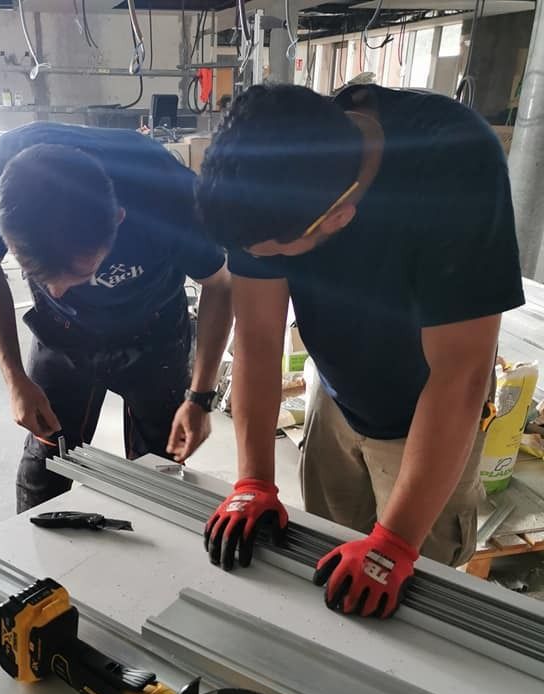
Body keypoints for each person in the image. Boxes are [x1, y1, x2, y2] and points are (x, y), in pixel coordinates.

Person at [196, 83, 524, 618]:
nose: (267, 261)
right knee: (328, 556)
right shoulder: (270, 174)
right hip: (335, 391)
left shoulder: (453, 162)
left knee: (413, 595)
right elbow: (257, 337)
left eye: (278, 253)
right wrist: (254, 478)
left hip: (430, 406)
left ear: (338, 217)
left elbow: (461, 371)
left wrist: (395, 543)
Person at [0, 123, 231, 512]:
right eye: (42, 278)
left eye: (79, 275)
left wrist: (200, 397)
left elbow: (220, 287)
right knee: (45, 466)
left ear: (118, 219)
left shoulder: (172, 198)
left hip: (155, 330)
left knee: (160, 474)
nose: (60, 292)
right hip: (62, 335)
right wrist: (14, 378)